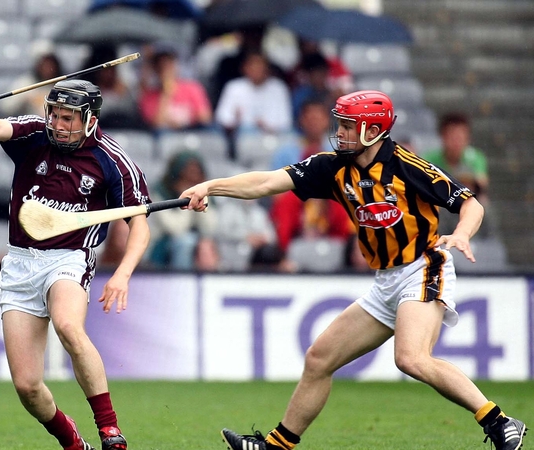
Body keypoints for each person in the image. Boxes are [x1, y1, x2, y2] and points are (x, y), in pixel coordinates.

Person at [179, 90, 527, 450]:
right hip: (386, 280)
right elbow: (267, 182)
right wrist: (210, 187)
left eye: (348, 126)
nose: (340, 132)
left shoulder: (408, 166)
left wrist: (462, 234)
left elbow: (469, 203)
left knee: (411, 358)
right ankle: (276, 446)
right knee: (319, 359)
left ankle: (501, 423)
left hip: (424, 266)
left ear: (373, 130)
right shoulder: (333, 166)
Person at [0, 79, 150, 450]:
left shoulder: (113, 161)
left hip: (70, 258)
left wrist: (122, 274)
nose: (58, 124)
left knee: (68, 326)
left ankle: (110, 431)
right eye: (55, 115)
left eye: (68, 118)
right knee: (28, 387)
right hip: (20, 263)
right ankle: (73, 442)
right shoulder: (35, 135)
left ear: (90, 120)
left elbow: (139, 223)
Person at [147, 150, 218, 271]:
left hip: (197, 242)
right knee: (185, 242)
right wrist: (187, 199)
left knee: (206, 245)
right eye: (187, 173)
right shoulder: (159, 192)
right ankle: (181, 279)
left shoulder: (205, 192)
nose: (191, 177)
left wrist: (201, 196)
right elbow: (175, 229)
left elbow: (210, 227)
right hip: (163, 246)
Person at [215, 50, 293, 137]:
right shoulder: (234, 87)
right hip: (240, 136)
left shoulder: (278, 88)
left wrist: (266, 127)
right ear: (244, 68)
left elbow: (286, 122)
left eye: (260, 66)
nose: (256, 70)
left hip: (271, 137)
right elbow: (222, 118)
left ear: (267, 69)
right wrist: (235, 120)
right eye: (252, 66)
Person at [138, 43, 212, 131]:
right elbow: (157, 124)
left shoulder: (193, 88)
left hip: (191, 132)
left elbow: (205, 118)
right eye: (161, 66)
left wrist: (182, 121)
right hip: (167, 137)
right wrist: (166, 94)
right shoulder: (148, 95)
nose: (165, 69)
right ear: (155, 69)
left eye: (168, 64)